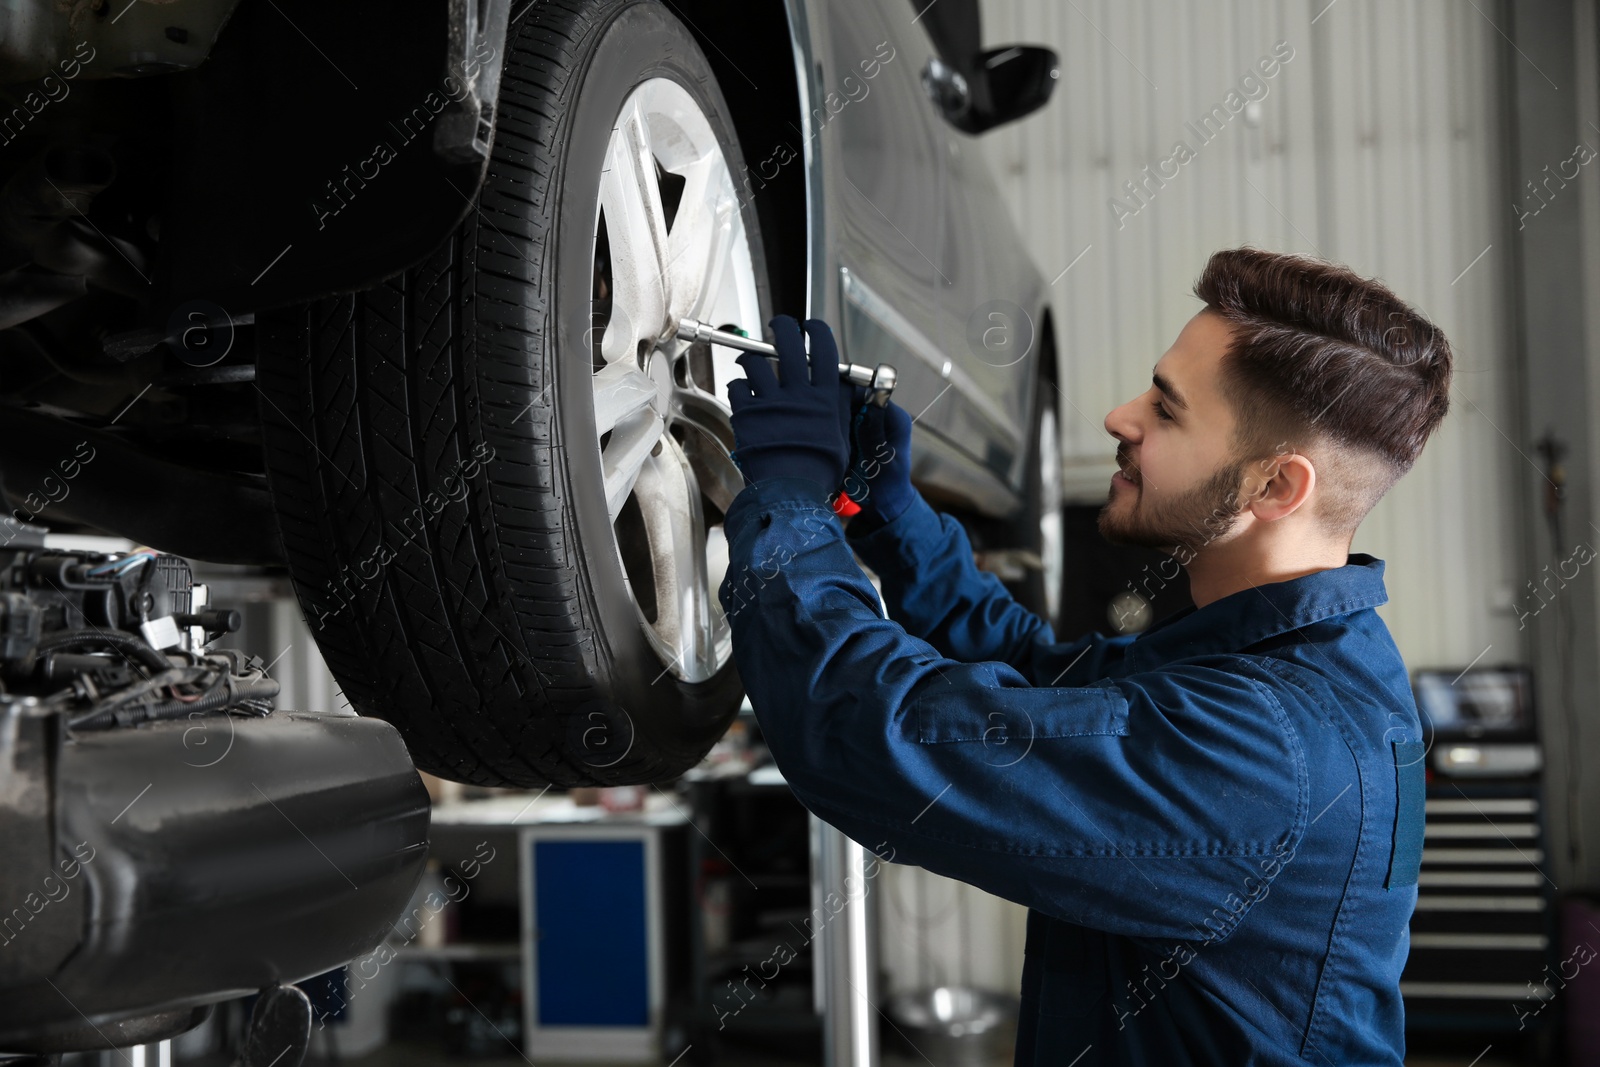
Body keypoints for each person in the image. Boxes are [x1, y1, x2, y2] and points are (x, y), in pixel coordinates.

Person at [719, 247, 1452, 1066]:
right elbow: (1041, 671)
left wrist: (786, 498)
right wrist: (892, 512)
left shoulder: (1266, 745)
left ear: (1274, 487)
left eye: (1167, 411)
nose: (1119, 416)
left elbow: (875, 738)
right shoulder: (1294, 659)